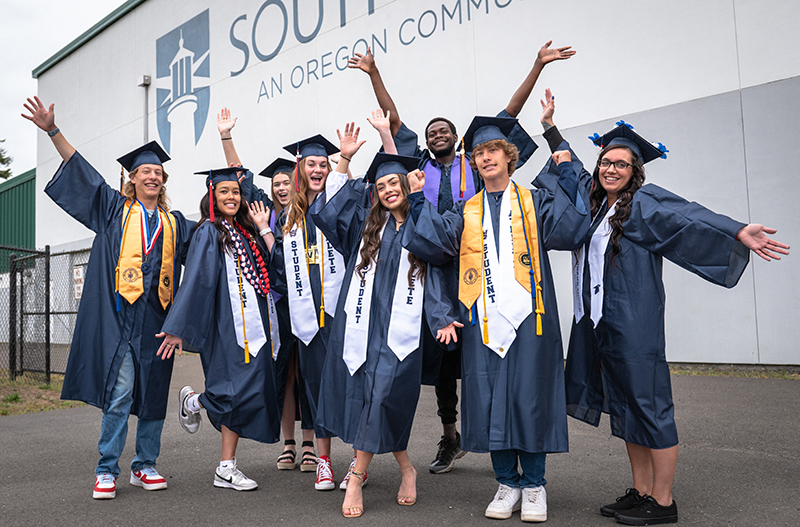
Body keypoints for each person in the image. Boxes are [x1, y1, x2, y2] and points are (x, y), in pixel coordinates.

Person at [536, 95, 790, 525]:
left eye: (621, 164)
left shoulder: (643, 203)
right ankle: (640, 491)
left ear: (635, 171)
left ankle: (664, 501)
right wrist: (550, 130)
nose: (610, 169)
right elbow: (571, 168)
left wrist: (735, 229)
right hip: (598, 323)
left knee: (650, 407)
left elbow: (688, 215)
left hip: (634, 324)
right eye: (606, 163)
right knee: (625, 407)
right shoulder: (595, 207)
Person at [348, 40, 575, 473]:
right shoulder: (419, 168)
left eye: (443, 130)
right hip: (433, 262)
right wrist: (375, 74)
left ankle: (503, 447)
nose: (436, 135)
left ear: (459, 139)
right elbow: (393, 123)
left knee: (482, 352)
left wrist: (537, 65)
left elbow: (506, 115)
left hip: (483, 266)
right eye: (430, 132)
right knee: (439, 356)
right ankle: (449, 435)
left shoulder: (478, 164)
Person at [403, 116, 590, 522]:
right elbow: (433, 243)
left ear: (509, 158)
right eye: (480, 154)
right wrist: (417, 200)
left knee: (531, 396)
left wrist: (566, 164)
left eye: (493, 152)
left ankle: (535, 485)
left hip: (531, 321)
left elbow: (571, 230)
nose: (486, 158)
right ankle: (507, 482)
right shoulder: (465, 211)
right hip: (483, 320)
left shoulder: (535, 201)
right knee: (489, 400)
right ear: (474, 163)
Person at [21, 96, 194, 499]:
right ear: (131, 178)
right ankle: (106, 468)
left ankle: (145, 465)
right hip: (120, 320)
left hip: (156, 322)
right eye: (145, 172)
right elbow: (83, 173)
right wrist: (52, 130)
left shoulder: (176, 224)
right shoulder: (114, 210)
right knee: (120, 394)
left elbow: (202, 260)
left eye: (158, 172)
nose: (153, 177)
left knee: (152, 396)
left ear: (163, 181)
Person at [310, 145, 460, 517]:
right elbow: (327, 213)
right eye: (381, 185)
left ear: (406, 186)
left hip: (398, 338)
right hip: (359, 329)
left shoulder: (420, 223)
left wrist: (441, 316)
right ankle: (407, 469)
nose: (389, 189)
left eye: (395, 182)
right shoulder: (365, 225)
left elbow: (437, 268)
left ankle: (357, 476)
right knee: (371, 403)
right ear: (374, 193)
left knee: (381, 400)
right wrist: (342, 160)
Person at [158, 166, 282, 491]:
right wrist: (178, 327)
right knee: (230, 391)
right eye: (224, 191)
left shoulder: (243, 232)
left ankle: (226, 466)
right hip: (225, 326)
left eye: (235, 192)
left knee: (252, 389)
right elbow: (196, 278)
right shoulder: (208, 231)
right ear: (212, 195)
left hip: (253, 326)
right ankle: (194, 403)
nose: (231, 196)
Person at [216, 109, 317, 472]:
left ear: (296, 183)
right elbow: (241, 180)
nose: (280, 186)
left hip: (307, 303)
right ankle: (288, 442)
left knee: (308, 374)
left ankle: (310, 443)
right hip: (275, 307)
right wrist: (227, 137)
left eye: (286, 181)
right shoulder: (262, 211)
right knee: (284, 375)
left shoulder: (308, 212)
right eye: (275, 183)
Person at [271, 126, 365, 491]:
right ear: (300, 171)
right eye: (310, 164)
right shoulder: (288, 219)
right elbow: (279, 269)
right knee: (316, 389)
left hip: (344, 315)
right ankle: (324, 461)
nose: (317, 169)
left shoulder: (341, 205)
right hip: (309, 319)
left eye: (323, 164)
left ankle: (359, 463)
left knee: (353, 385)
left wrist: (347, 158)